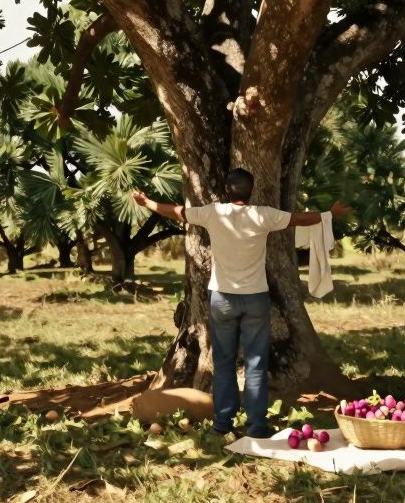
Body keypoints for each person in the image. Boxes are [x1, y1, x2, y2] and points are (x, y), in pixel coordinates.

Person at [132, 168, 348, 438]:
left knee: (223, 364)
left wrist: (148, 203)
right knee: (256, 365)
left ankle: (223, 424)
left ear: (226, 190)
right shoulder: (263, 215)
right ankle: (257, 426)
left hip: (221, 299)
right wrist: (330, 214)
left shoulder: (213, 212)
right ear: (252, 190)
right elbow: (300, 219)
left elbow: (177, 211)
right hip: (255, 298)